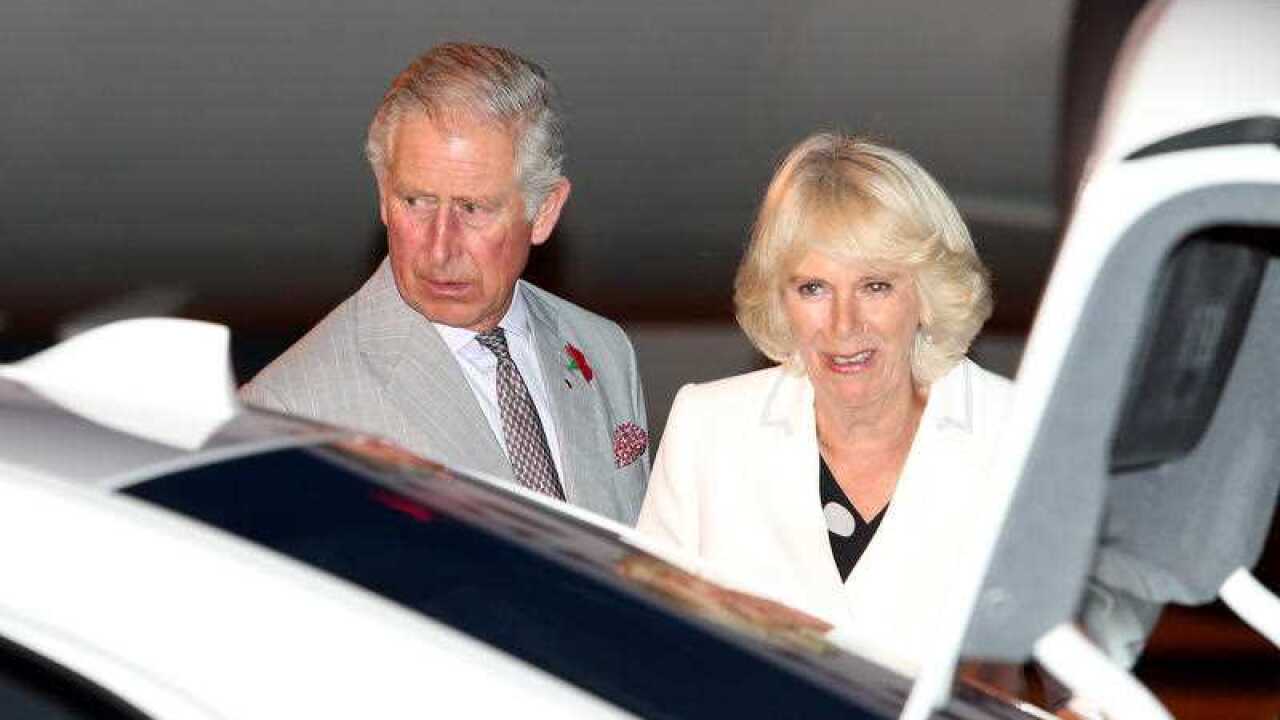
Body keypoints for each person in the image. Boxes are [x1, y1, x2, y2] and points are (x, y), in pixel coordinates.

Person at [636, 132, 1012, 676]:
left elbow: (1077, 672)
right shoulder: (708, 429)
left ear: (928, 294)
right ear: (780, 300)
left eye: (876, 286)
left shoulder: (1016, 434)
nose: (843, 325)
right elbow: (647, 651)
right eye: (813, 288)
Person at [242, 43, 650, 524]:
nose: (440, 249)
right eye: (415, 202)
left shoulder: (603, 349)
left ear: (543, 211)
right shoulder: (287, 411)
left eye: (473, 209)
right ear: (383, 196)